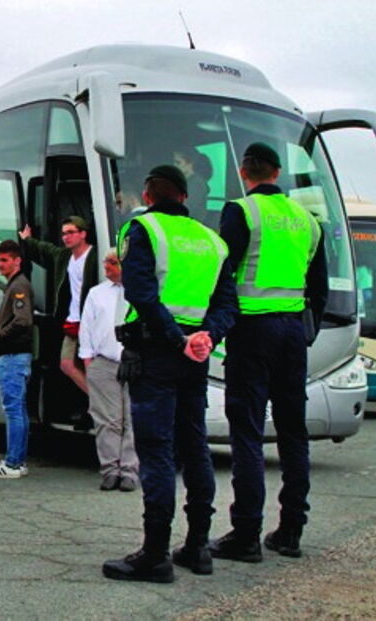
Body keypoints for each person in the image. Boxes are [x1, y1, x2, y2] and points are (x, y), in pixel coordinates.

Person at [102, 165, 237, 583]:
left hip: (156, 352)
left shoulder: (142, 228)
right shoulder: (213, 241)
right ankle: (198, 547)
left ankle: (155, 554)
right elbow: (227, 306)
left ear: (147, 194)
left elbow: (141, 294)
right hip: (195, 355)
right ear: (184, 196)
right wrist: (205, 338)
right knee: (195, 446)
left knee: (157, 450)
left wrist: (177, 339)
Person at [210, 143, 328, 562]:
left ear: (245, 172)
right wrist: (304, 332)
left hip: (251, 331)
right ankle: (291, 531)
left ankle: (246, 534)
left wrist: (216, 327)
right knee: (293, 431)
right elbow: (319, 289)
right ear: (278, 172)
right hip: (292, 332)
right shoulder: (308, 220)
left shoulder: (241, 211)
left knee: (247, 431)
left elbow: (222, 272)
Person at [19, 216, 97, 423]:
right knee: (67, 364)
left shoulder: (95, 256)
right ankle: (101, 402)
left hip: (91, 323)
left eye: (71, 232)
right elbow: (44, 249)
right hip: (72, 322)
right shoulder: (64, 257)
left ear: (83, 234)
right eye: (64, 233)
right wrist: (27, 240)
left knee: (91, 366)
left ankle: (100, 405)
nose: (66, 237)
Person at [79, 248, 139, 492]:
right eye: (106, 261)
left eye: (112, 262)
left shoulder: (141, 291)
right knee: (107, 420)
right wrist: (87, 359)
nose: (106, 266)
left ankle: (129, 470)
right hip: (104, 362)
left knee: (132, 419)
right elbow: (86, 326)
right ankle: (110, 470)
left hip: (135, 362)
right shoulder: (97, 293)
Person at [0, 240, 34, 480]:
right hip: (16, 356)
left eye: (4, 260)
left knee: (13, 410)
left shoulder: (19, 285)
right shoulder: (15, 284)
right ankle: (18, 461)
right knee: (18, 410)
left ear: (17, 261)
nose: (0, 265)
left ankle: (13, 462)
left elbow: (22, 320)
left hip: (12, 356)